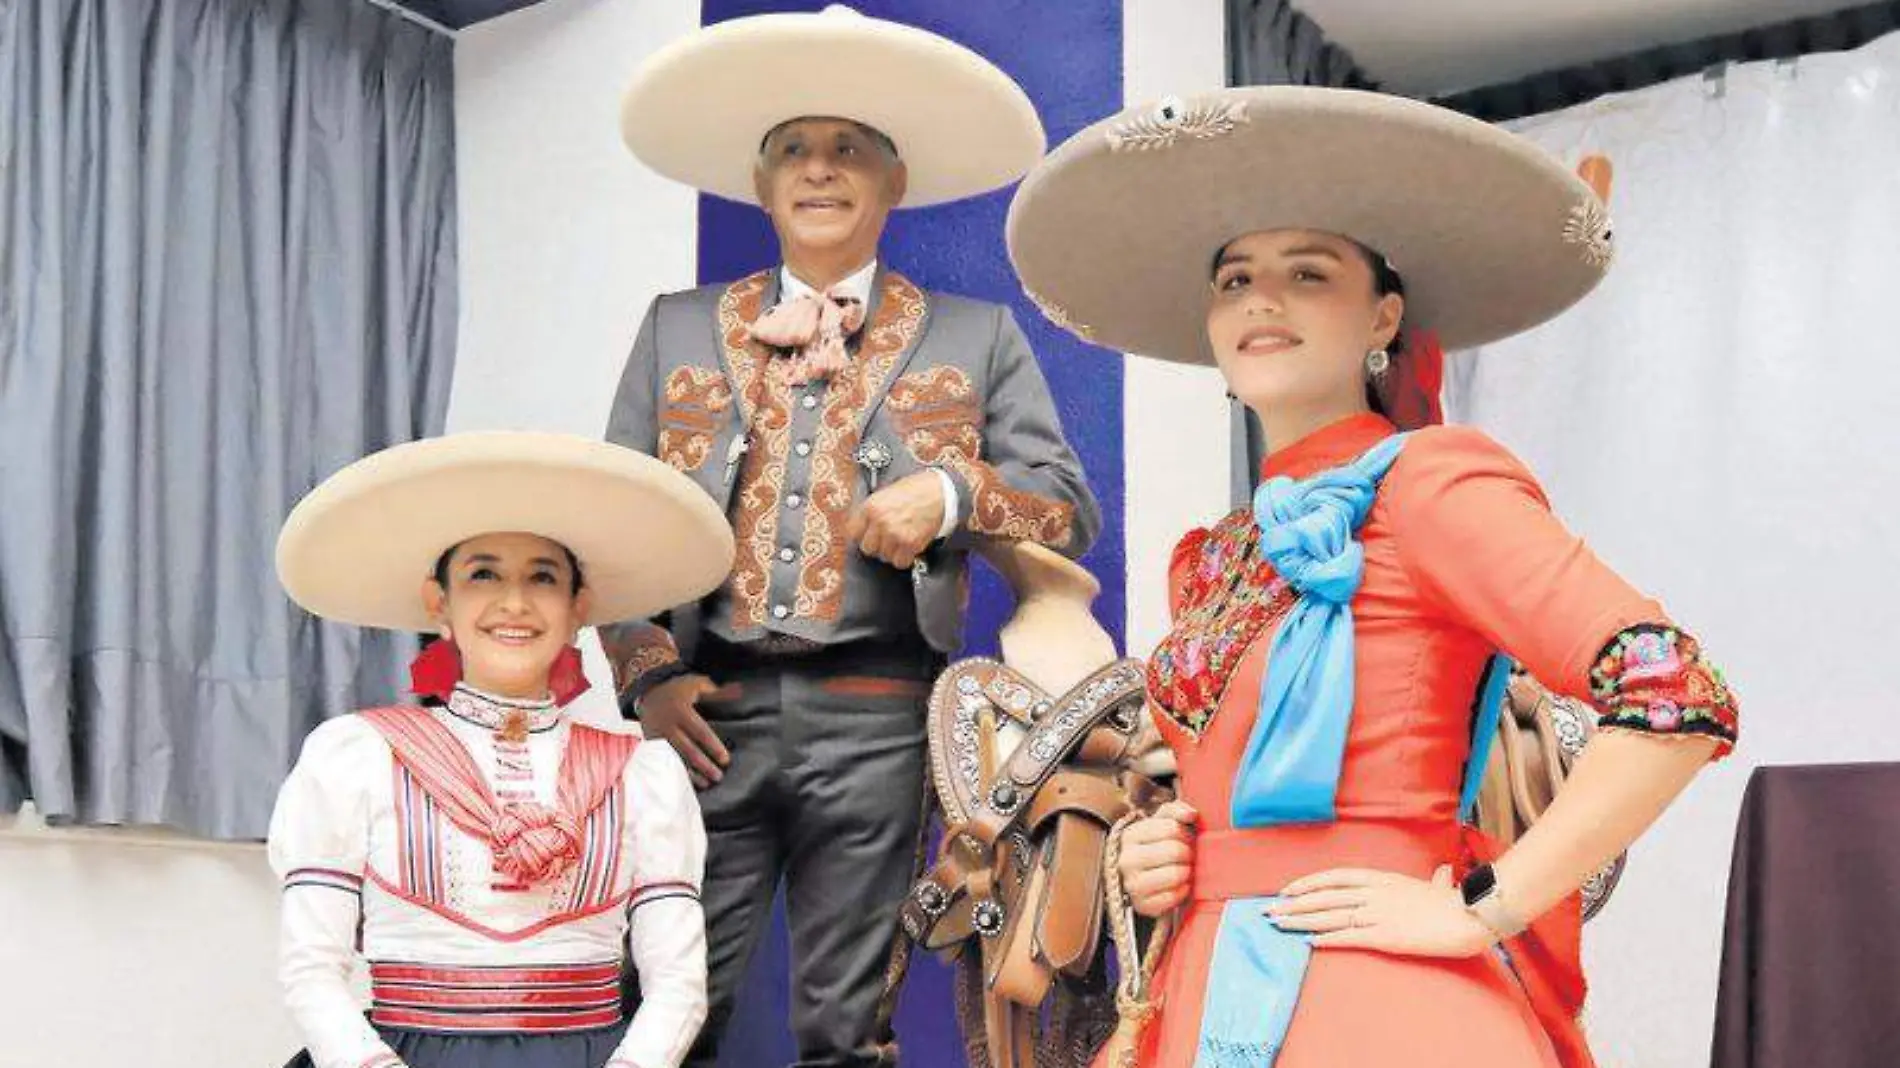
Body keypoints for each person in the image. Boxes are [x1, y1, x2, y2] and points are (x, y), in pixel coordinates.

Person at [1004, 86, 1739, 1067]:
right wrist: (1160, 847)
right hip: (1201, 991)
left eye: (1306, 273)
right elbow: (1217, 782)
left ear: (1381, 313)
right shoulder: (1215, 554)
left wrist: (1485, 907)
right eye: (1233, 280)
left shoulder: (1435, 483)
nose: (1260, 299)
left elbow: (1675, 697)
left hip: (1381, 1003)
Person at [605, 8, 1100, 1067]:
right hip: (707, 715)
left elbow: (1064, 504)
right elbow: (617, 521)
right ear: (762, 180)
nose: (819, 170)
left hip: (879, 716)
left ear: (893, 183)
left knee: (847, 1024)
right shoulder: (677, 325)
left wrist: (952, 495)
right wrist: (647, 678)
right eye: (795, 150)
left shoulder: (977, 334)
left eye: (848, 151)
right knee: (662, 1005)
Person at [269, 431, 734, 1068]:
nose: (514, 602)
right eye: (483, 574)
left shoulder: (639, 775)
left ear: (579, 609)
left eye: (542, 578)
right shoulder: (360, 756)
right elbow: (311, 971)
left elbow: (678, 987)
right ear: (441, 604)